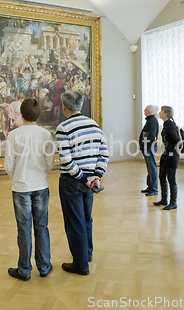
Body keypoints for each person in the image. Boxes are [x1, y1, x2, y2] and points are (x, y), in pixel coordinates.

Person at [56, 90, 109, 275]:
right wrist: (96, 176)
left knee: (74, 222)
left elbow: (66, 160)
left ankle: (80, 265)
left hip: (72, 181)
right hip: (89, 182)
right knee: (86, 219)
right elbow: (104, 154)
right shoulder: (94, 125)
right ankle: (86, 254)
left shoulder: (63, 128)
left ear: (64, 106)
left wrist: (85, 179)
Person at [4, 98, 55, 281]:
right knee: (41, 227)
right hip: (40, 186)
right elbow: (50, 163)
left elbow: (9, 165)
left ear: (22, 115)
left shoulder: (14, 135)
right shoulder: (45, 135)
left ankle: (24, 270)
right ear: (38, 114)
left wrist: (17, 178)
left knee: (23, 229)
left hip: (20, 187)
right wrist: (41, 175)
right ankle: (44, 266)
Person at [153, 106, 180, 210]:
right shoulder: (166, 124)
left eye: (161, 111)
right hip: (165, 155)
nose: (159, 113)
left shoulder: (170, 125)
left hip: (172, 155)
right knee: (162, 176)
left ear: (166, 114)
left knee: (171, 179)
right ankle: (164, 200)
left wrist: (177, 151)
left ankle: (173, 202)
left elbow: (177, 140)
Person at [139, 105, 159, 196]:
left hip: (149, 147)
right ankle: (150, 187)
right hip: (147, 147)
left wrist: (144, 144)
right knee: (149, 168)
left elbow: (151, 136)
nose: (144, 111)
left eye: (146, 110)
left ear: (150, 112)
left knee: (152, 168)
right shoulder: (150, 120)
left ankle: (154, 189)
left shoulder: (152, 121)